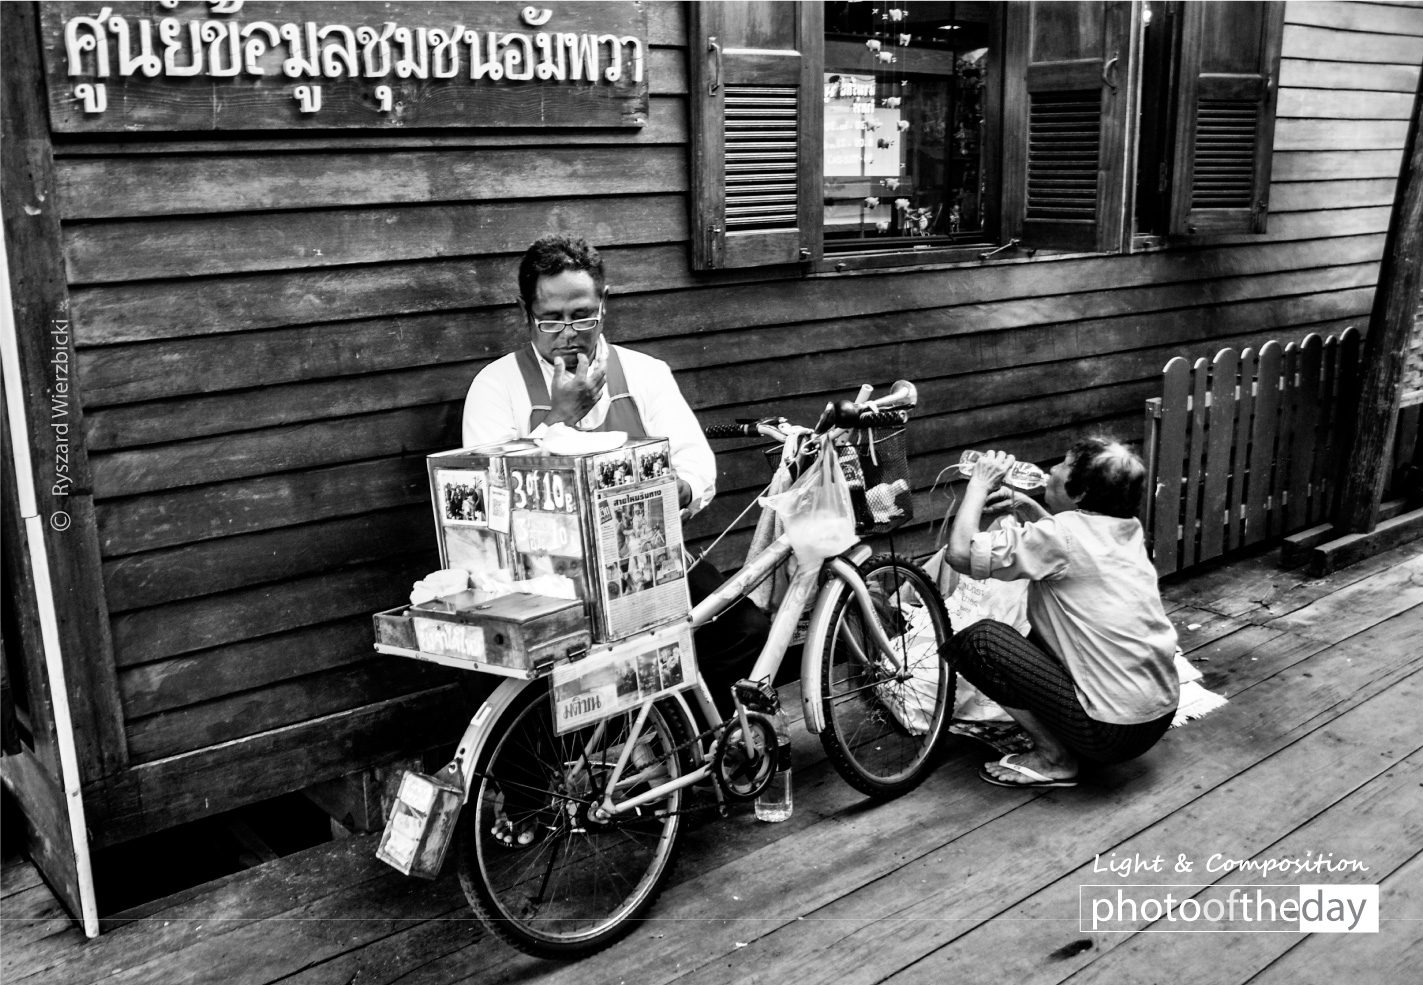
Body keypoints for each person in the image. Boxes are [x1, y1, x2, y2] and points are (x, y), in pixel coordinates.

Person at [462, 234, 769, 713]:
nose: (568, 333)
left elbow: (696, 463)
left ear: (604, 304)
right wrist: (560, 416)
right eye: (551, 319)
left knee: (744, 630)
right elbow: (487, 495)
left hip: (643, 566)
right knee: (548, 683)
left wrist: (668, 490)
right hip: (543, 587)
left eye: (582, 315)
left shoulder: (644, 373)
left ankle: (685, 737)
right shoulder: (496, 386)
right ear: (524, 312)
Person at [941, 437, 1178, 789]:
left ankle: (1055, 759)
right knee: (1038, 633)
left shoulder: (1060, 536)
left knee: (979, 641)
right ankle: (1066, 741)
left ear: (1080, 493)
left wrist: (978, 484)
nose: (1051, 469)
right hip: (1154, 717)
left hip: (1109, 733)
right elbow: (1069, 542)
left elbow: (960, 554)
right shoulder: (1127, 527)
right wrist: (1028, 507)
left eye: (1064, 465)